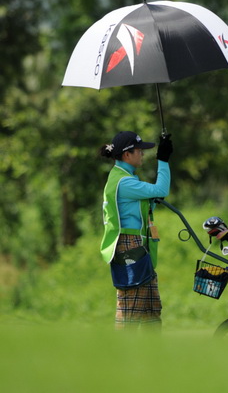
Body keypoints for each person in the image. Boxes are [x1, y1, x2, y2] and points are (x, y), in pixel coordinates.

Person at [99, 131, 173, 329]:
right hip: (129, 246)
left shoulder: (126, 178)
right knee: (130, 309)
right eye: (139, 151)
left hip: (137, 246)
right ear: (127, 155)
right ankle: (122, 357)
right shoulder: (125, 182)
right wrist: (163, 160)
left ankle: (152, 357)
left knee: (150, 309)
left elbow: (146, 205)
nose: (142, 154)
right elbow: (161, 190)